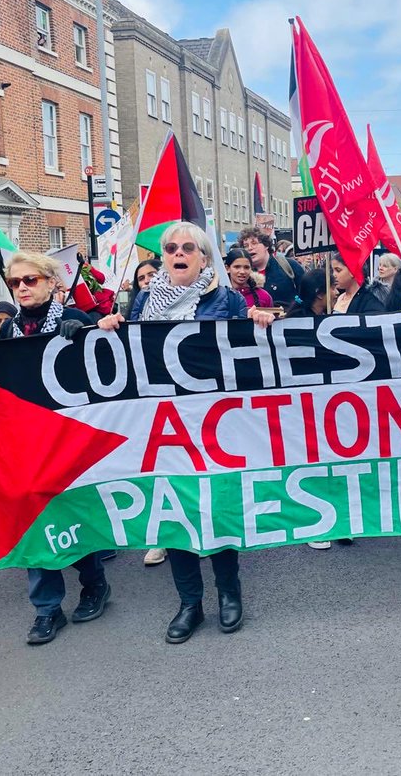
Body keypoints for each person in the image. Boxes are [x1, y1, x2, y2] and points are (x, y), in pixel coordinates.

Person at [99, 222, 273, 643]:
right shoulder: (144, 298)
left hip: (213, 425)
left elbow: (247, 348)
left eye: (188, 247)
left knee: (217, 508)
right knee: (173, 511)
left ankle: (229, 594)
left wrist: (258, 319)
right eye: (171, 248)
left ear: (204, 257)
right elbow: (129, 356)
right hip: (162, 427)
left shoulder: (225, 297)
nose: (179, 253)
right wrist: (110, 328)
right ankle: (189, 603)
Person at [0, 251, 105, 644]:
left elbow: (105, 377)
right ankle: (47, 609)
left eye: (30, 280)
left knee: (73, 516)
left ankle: (94, 584)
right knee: (33, 520)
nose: (22, 289)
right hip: (24, 441)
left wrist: (85, 336)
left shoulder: (77, 320)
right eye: (15, 283)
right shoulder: (7, 331)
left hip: (67, 439)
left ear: (52, 283)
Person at [241, 227, 304, 308]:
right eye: (245, 246)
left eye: (254, 243)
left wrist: (296, 306)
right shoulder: (243, 274)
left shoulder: (289, 265)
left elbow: (306, 295)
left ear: (266, 245)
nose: (249, 248)